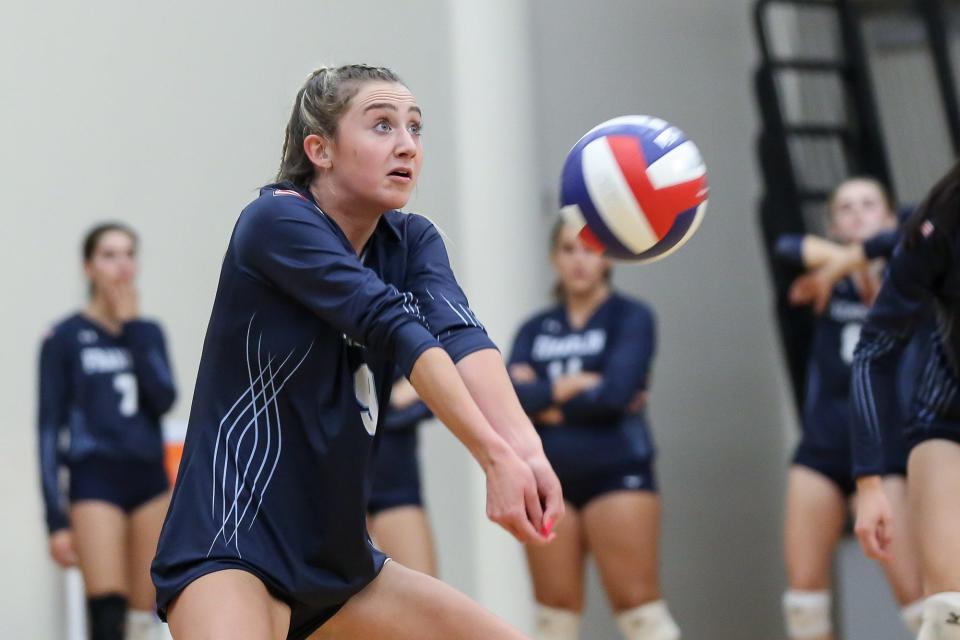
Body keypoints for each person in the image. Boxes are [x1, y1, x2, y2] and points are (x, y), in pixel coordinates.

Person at [150, 64, 563, 640]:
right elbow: (390, 323)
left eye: (415, 128)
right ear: (319, 149)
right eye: (382, 126)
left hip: (343, 570)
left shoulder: (412, 239)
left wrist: (527, 451)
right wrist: (492, 457)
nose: (407, 146)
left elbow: (462, 337)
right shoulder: (275, 221)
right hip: (233, 546)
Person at [507, 221, 680, 640]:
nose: (579, 260)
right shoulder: (534, 329)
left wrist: (544, 399)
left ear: (607, 259)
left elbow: (616, 395)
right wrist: (573, 385)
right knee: (553, 616)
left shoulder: (631, 316)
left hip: (617, 472)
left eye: (589, 249)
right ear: (554, 258)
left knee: (639, 609)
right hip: (547, 481)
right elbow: (511, 401)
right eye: (568, 249)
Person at [775, 178, 923, 639]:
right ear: (834, 225)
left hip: (885, 453)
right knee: (803, 599)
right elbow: (786, 245)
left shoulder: (911, 275)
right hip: (822, 448)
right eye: (845, 208)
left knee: (916, 598)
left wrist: (850, 259)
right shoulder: (825, 287)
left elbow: (917, 224)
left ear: (888, 214)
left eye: (868, 205)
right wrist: (838, 266)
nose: (857, 214)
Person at [38, 223, 177, 640]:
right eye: (109, 255)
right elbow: (47, 429)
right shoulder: (64, 338)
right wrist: (55, 520)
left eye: (129, 254)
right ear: (88, 267)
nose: (122, 265)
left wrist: (132, 328)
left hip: (149, 481)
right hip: (95, 478)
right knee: (107, 614)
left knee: (143, 616)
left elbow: (164, 399)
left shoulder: (147, 332)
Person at [852, 162, 960, 639]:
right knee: (947, 617)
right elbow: (874, 350)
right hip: (949, 423)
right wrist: (869, 482)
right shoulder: (941, 224)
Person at [367, 373, 437, 576]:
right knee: (332, 599)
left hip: (394, 482)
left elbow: (435, 396)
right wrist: (393, 398)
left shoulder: (405, 342)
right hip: (337, 479)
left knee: (425, 596)